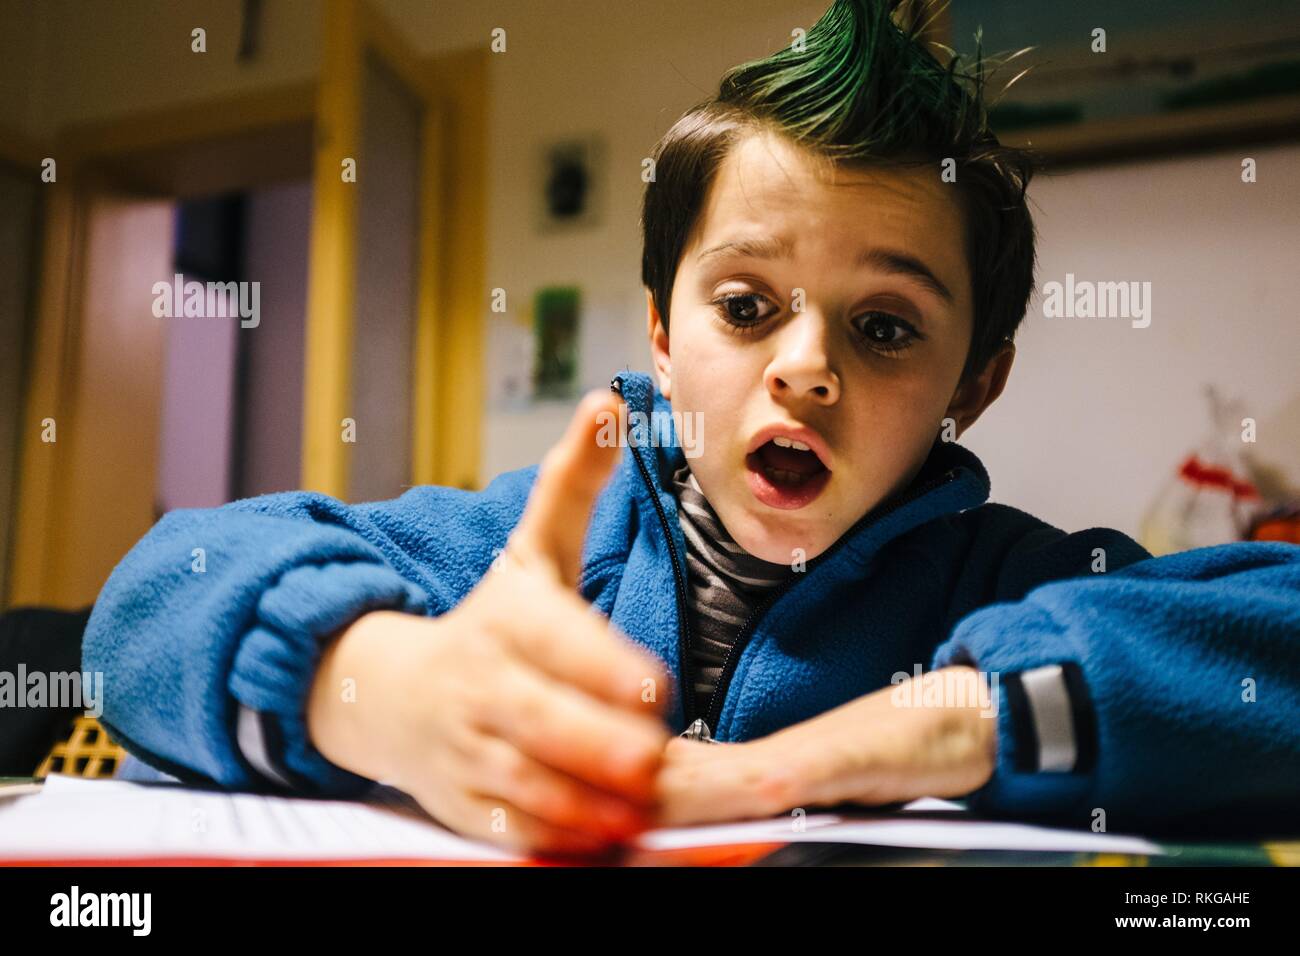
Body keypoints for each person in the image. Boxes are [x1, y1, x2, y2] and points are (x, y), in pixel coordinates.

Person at [83, 0, 1300, 857]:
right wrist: (380, 687)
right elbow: (147, 601)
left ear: (973, 385)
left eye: (884, 328)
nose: (806, 366)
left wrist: (911, 732)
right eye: (745, 306)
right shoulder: (524, 554)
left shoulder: (1013, 582)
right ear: (663, 336)